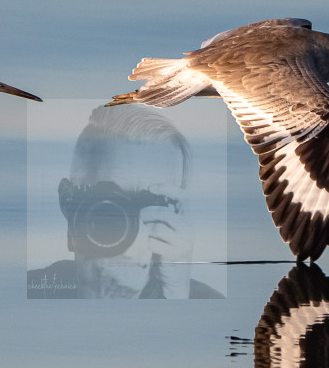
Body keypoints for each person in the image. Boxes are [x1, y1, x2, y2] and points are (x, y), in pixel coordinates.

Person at [27, 104, 223, 299]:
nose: (128, 218)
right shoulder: (27, 291)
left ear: (177, 212)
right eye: (109, 198)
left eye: (148, 202)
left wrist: (176, 294)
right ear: (67, 202)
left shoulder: (208, 305)